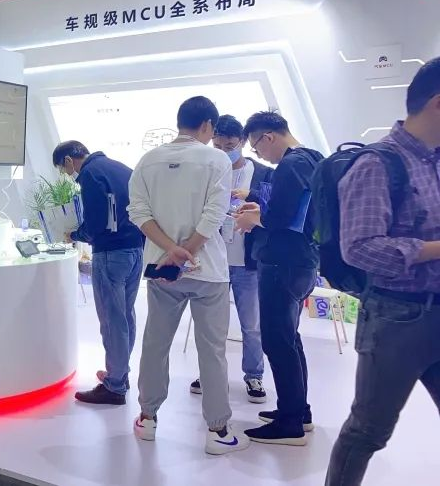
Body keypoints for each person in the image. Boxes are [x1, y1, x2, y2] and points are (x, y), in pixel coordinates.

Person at [325, 59, 440, 485]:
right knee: (368, 430)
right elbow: (360, 248)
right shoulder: (377, 164)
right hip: (397, 319)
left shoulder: (435, 160)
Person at [127, 96, 249, 456]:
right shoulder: (216, 160)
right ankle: (217, 430)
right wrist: (188, 251)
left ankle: (147, 418)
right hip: (208, 270)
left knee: (156, 343)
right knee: (212, 349)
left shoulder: (147, 160)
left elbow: (138, 212)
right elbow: (215, 214)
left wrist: (171, 251)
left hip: (162, 269)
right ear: (208, 125)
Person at [235, 112, 323, 446]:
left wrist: (254, 220)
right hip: (302, 261)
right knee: (289, 338)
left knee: (276, 340)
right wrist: (261, 213)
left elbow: (281, 218)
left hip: (282, 262)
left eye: (256, 146)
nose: (258, 154)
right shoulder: (312, 158)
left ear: (268, 137)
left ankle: (290, 423)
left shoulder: (291, 164)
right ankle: (298, 410)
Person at [187, 115, 273, 403]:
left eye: (230, 146)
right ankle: (210, 374)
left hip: (248, 262)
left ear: (243, 142)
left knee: (252, 324)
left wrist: (253, 199)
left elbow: (275, 209)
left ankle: (254, 375)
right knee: (211, 325)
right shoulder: (208, 171)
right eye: (218, 145)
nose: (224, 151)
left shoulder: (262, 173)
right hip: (214, 260)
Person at [51, 141, 144, 405]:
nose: (67, 174)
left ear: (69, 160)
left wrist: (74, 234)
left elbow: (96, 224)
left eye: (63, 169)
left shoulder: (90, 174)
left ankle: (114, 386)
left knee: (112, 320)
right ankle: (120, 374)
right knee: (125, 315)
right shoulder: (120, 168)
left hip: (110, 253)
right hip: (135, 249)